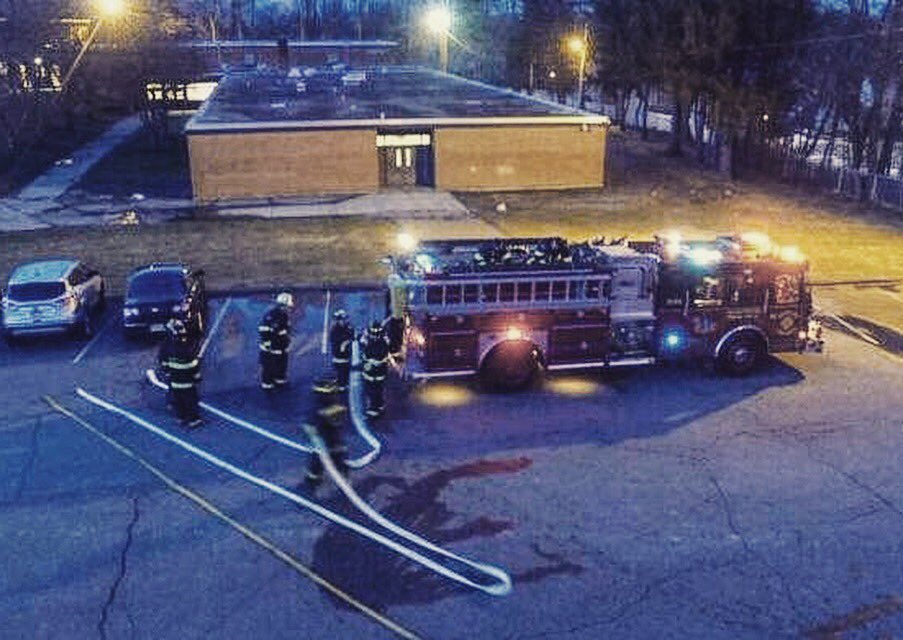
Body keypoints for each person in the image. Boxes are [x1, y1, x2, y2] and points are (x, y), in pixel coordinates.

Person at [304, 377, 348, 490]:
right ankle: (316, 476)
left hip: (329, 438)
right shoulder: (324, 405)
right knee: (331, 457)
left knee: (325, 458)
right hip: (327, 438)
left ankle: (314, 477)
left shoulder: (321, 405)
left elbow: (311, 424)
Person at [158, 318, 202, 429]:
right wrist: (197, 374)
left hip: (174, 381)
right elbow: (192, 366)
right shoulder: (186, 349)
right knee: (190, 401)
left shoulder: (168, 346)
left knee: (178, 400)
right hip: (187, 383)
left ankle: (181, 417)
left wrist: (167, 371)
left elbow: (163, 360)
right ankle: (193, 420)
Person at [259, 291, 293, 391]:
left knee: (281, 367)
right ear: (283, 305)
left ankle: (280, 381)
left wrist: (286, 342)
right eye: (288, 307)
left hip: (280, 348)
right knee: (269, 368)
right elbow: (266, 332)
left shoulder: (283, 315)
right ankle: (268, 387)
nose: (289, 309)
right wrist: (269, 345)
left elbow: (284, 331)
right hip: (271, 350)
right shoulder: (273, 316)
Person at [361, 320, 389, 418]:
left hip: (379, 372)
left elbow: (383, 356)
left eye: (377, 334)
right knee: (372, 391)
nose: (375, 336)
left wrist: (375, 361)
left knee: (377, 390)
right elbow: (365, 355)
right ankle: (375, 407)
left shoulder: (383, 343)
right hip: (370, 373)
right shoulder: (367, 342)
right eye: (373, 334)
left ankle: (376, 408)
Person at [329, 309, 354, 392]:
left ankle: (343, 384)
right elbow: (337, 340)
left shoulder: (348, 327)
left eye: (345, 319)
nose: (344, 321)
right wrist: (345, 342)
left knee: (345, 370)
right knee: (340, 369)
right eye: (342, 320)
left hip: (346, 355)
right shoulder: (335, 330)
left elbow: (351, 336)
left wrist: (347, 341)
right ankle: (341, 384)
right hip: (338, 355)